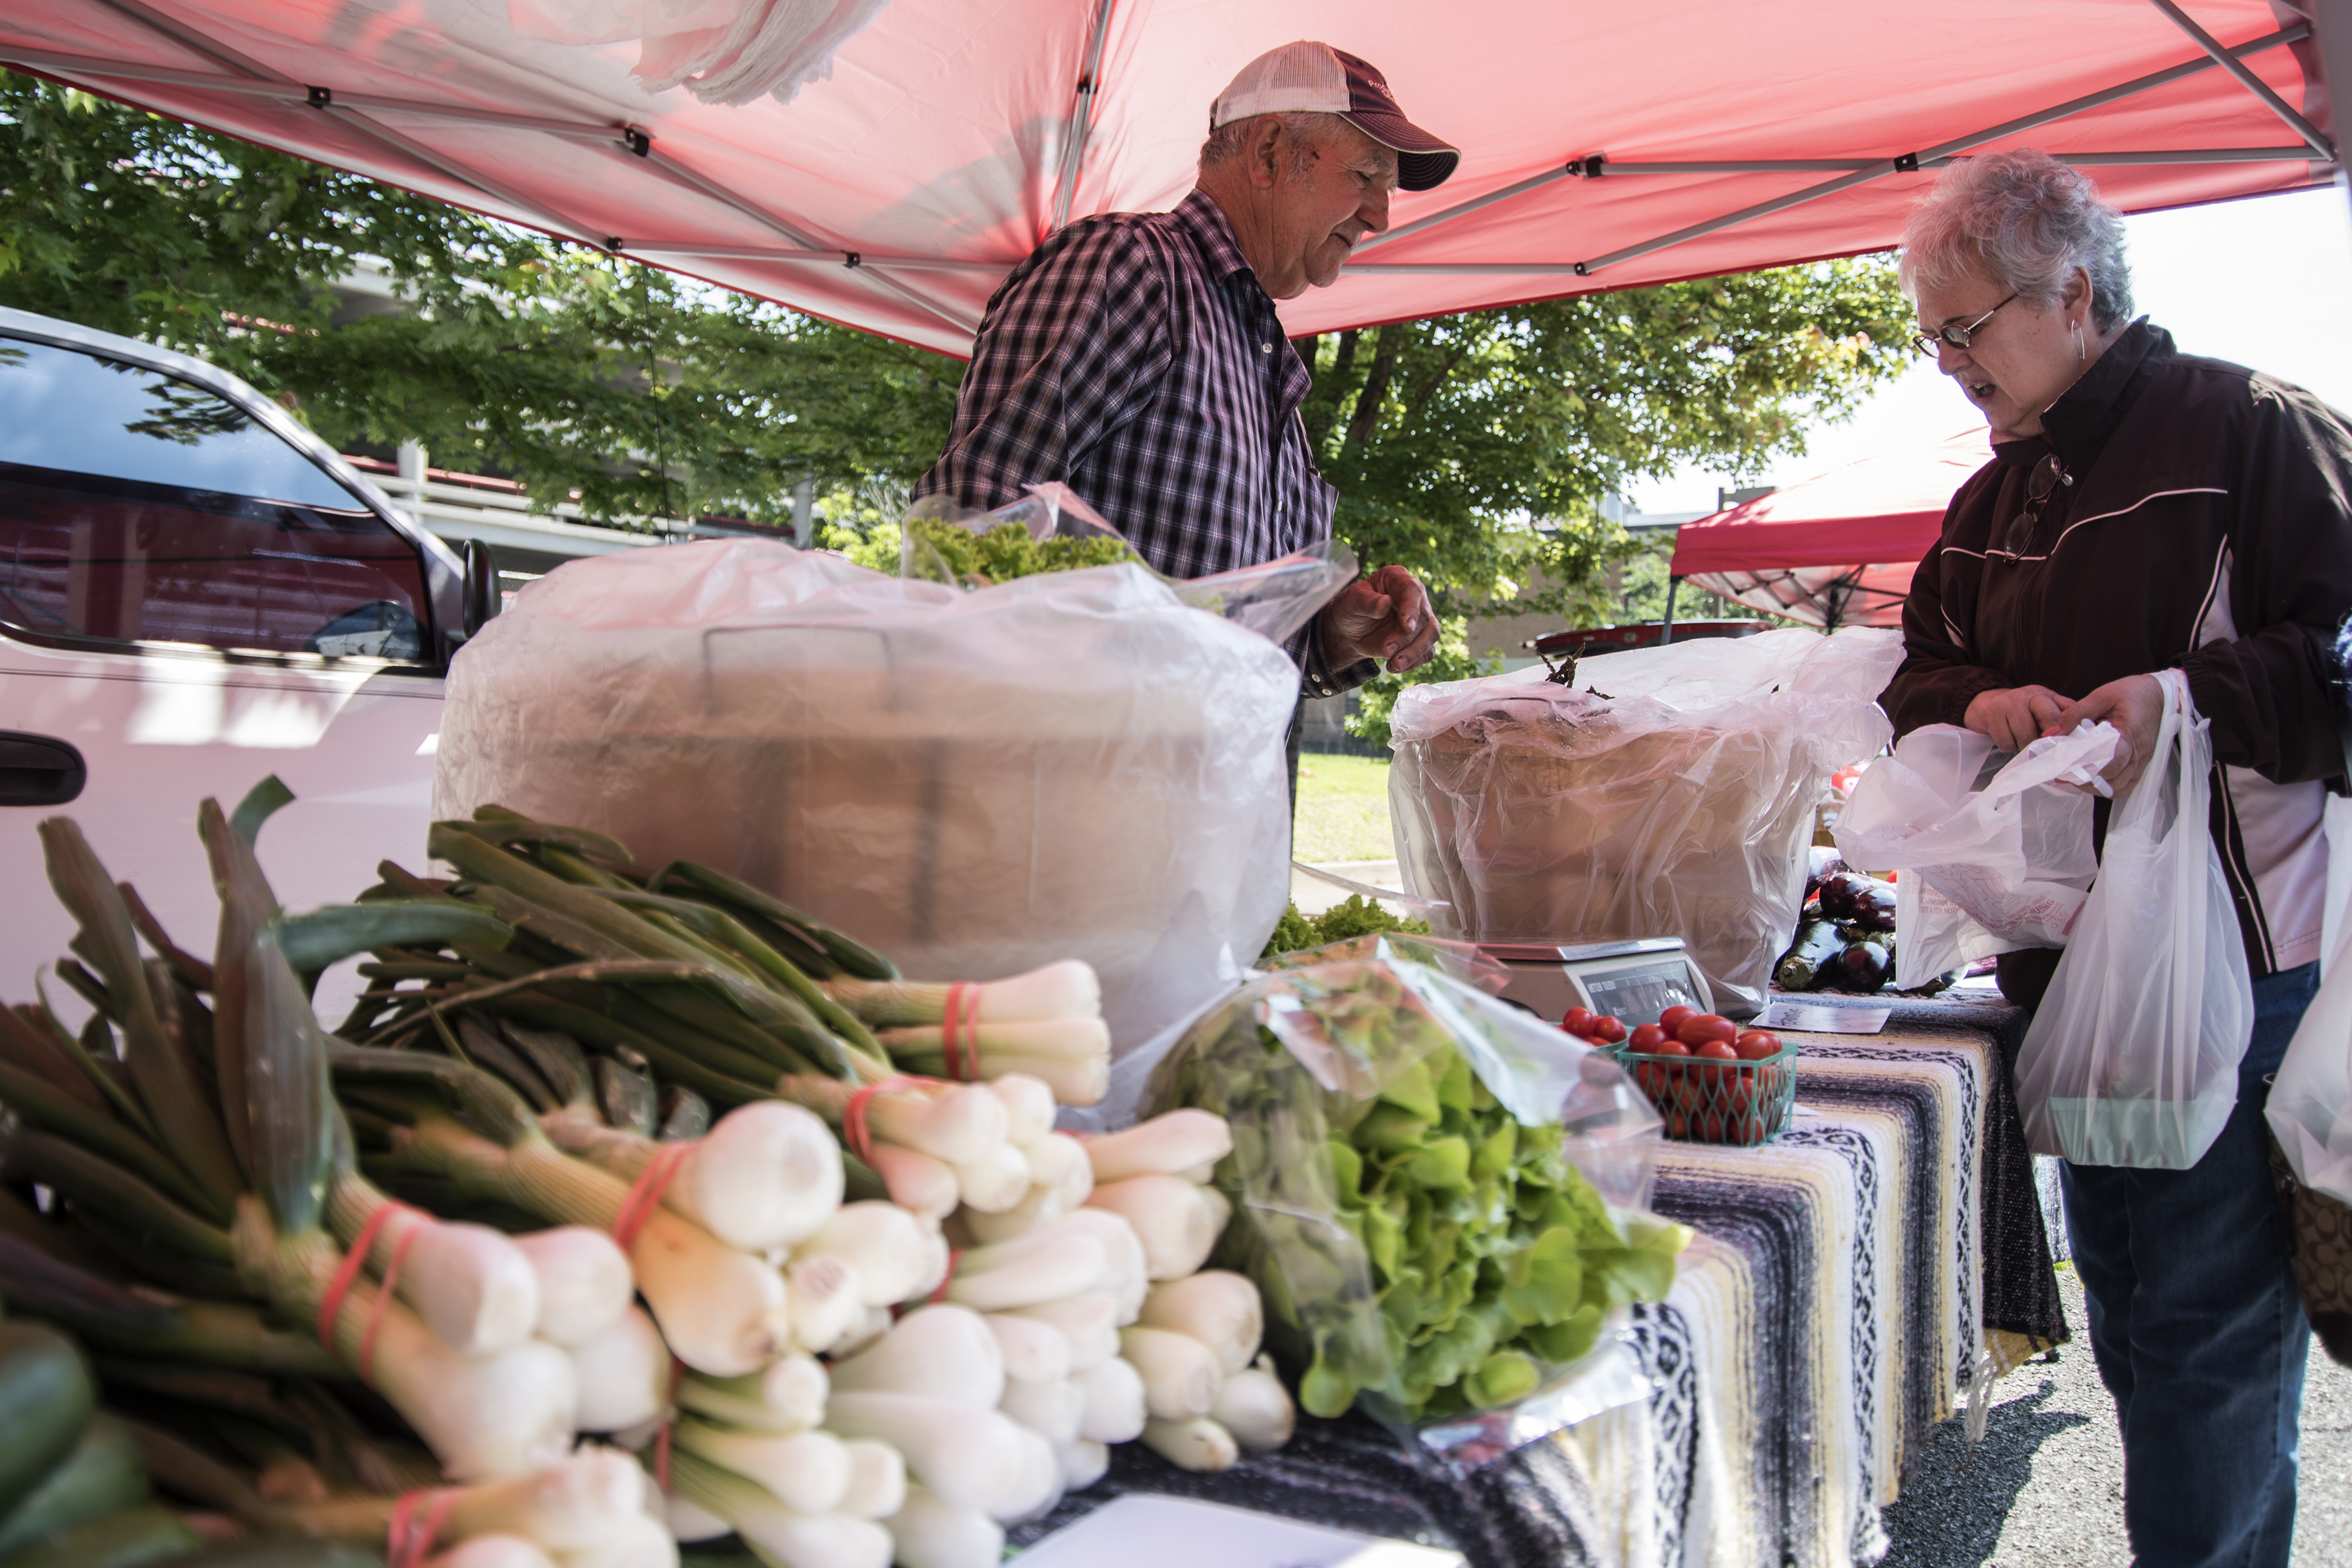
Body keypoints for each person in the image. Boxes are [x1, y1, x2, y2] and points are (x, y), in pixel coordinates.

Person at [1882, 149, 2352, 1567]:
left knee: (2209, 1334)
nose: (1950, 361)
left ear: (2072, 292)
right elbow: (1917, 667)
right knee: (2141, 1319)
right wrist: (1973, 700)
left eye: (1966, 327)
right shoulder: (1995, 498)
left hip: (2234, 967)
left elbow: (2340, 662)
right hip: (2068, 971)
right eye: (1934, 335)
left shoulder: (2256, 430)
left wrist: (2185, 698)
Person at [912, 41, 1452, 728]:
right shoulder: (1129, 265)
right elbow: (966, 524)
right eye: (1368, 175)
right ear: (1268, 153)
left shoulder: (1261, 358)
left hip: (1195, 813)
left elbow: (1243, 650)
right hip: (1079, 797)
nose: (1380, 214)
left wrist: (1330, 637)